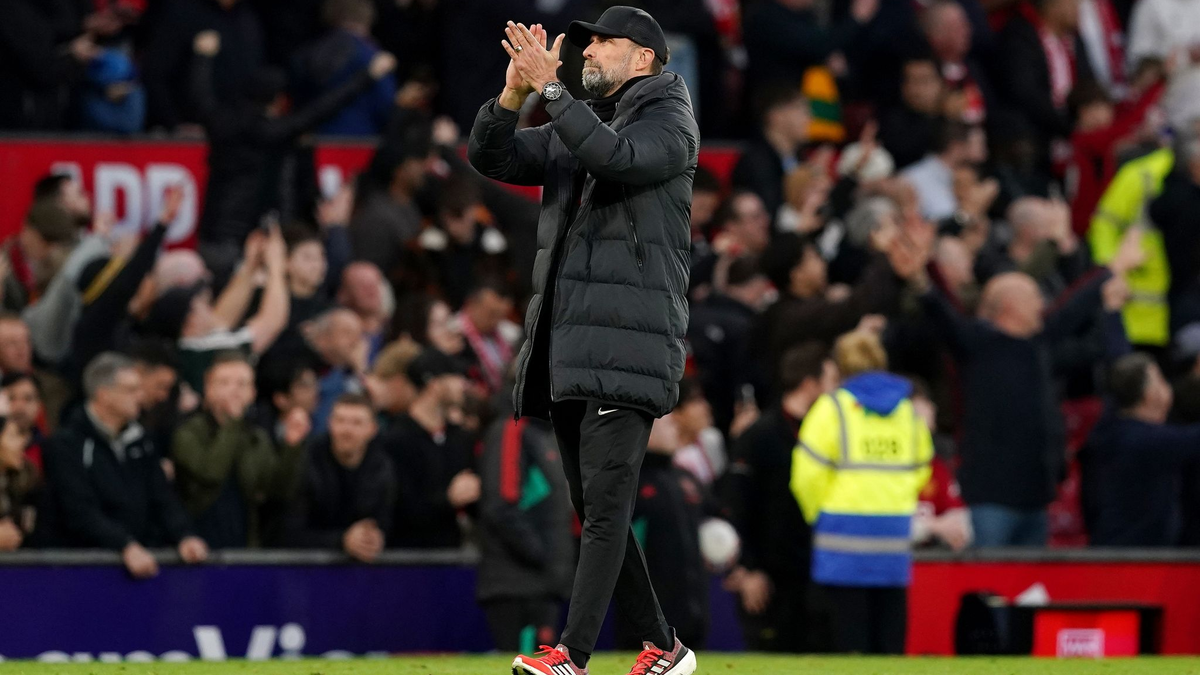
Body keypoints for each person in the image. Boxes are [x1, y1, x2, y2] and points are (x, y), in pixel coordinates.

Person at [468, 7, 699, 673]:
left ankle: (572, 655)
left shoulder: (668, 119)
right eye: (589, 39)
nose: (591, 49)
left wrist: (554, 91)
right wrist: (513, 96)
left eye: (605, 41)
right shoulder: (582, 125)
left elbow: (618, 160)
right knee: (597, 508)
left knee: (602, 509)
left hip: (628, 347)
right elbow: (494, 156)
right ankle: (667, 646)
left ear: (646, 59)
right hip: (571, 345)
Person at [916, 230, 1143, 547]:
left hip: (1035, 499)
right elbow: (942, 311)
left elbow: (1072, 309)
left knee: (1029, 593)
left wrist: (1114, 268)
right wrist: (921, 272)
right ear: (1009, 307)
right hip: (990, 500)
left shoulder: (1036, 345)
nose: (1042, 303)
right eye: (1034, 296)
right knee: (988, 587)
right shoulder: (978, 346)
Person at [189, 29, 396, 279]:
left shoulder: (220, 123)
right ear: (275, 100)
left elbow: (200, 95)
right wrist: (368, 76)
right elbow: (322, 109)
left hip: (211, 238)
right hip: (248, 244)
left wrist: (202, 57)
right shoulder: (273, 131)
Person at [791, 331, 933, 654]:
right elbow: (922, 468)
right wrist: (893, 500)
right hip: (893, 537)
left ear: (840, 367)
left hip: (841, 539)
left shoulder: (832, 409)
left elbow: (806, 476)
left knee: (848, 648)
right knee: (889, 647)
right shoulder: (907, 411)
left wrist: (820, 514)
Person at [41, 353, 208, 578]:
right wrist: (124, 545)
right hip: (82, 572)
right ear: (104, 395)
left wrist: (185, 535)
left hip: (140, 563)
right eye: (131, 390)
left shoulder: (142, 442)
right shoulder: (66, 445)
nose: (141, 396)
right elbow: (80, 511)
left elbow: (163, 498)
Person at [723, 343, 838, 652]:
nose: (837, 391)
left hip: (820, 571)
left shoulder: (833, 434)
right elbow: (737, 505)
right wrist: (748, 569)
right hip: (771, 580)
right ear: (809, 384)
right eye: (831, 381)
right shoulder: (759, 435)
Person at [171, 353, 307, 548]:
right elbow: (210, 473)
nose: (234, 391)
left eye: (242, 384)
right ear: (208, 387)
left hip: (244, 543)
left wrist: (291, 447)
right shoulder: (187, 431)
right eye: (225, 382)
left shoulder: (256, 437)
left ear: (253, 392)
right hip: (195, 543)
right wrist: (232, 423)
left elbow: (278, 490)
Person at [476, 407, 574, 654]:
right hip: (518, 585)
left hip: (545, 584)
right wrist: (543, 555)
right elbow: (502, 505)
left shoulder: (546, 435)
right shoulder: (513, 429)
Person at [1082, 353, 1200, 546]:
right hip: (1130, 556)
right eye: (1160, 380)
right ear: (1149, 394)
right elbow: (1192, 439)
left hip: (1116, 548)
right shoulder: (1143, 441)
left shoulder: (1113, 430)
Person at [616, 413, 712, 651]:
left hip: (692, 612)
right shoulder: (627, 480)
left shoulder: (686, 478)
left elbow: (716, 516)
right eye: (667, 423)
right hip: (641, 622)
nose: (675, 429)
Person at [382, 348, 477, 548]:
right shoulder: (395, 439)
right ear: (434, 383)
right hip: (409, 560)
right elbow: (398, 507)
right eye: (455, 377)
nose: (463, 384)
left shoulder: (460, 437)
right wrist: (448, 499)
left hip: (453, 555)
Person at [282, 393, 394, 561]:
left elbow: (387, 523)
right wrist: (342, 541)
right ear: (329, 423)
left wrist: (373, 539)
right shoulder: (306, 461)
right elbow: (288, 533)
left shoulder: (382, 467)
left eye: (356, 423)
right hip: (307, 571)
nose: (346, 430)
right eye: (340, 420)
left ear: (373, 429)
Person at [290, 0, 397, 137]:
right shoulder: (375, 58)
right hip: (361, 143)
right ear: (367, 17)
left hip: (313, 138)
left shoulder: (307, 52)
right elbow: (385, 105)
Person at [731, 83, 811, 222]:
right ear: (776, 116)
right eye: (800, 109)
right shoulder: (755, 163)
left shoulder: (800, 158)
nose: (809, 118)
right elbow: (769, 215)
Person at [879, 57, 946, 170]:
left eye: (924, 80)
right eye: (911, 81)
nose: (917, 89)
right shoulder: (891, 122)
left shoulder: (953, 118)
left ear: (941, 83)